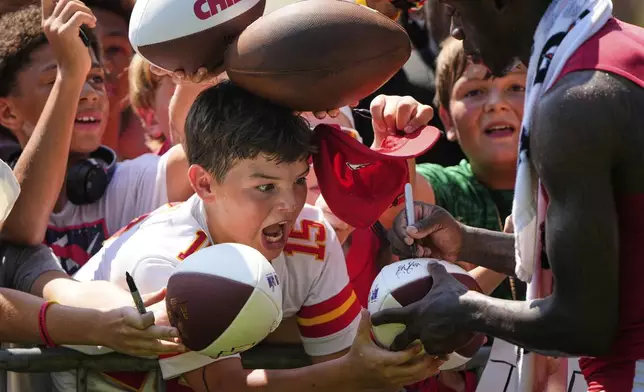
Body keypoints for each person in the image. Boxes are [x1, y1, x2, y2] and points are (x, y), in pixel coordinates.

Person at [56, 80, 443, 392]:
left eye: (296, 181)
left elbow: (342, 359)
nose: (289, 204)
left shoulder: (313, 236)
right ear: (205, 184)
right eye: (264, 187)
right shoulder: (168, 261)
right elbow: (224, 388)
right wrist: (352, 374)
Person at [376, 0, 644, 390]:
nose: (455, 30)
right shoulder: (622, 50)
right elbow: (616, 256)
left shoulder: (576, 101)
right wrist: (469, 241)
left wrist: (465, 309)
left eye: (456, 9)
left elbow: (584, 324)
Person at [0, 1, 193, 275]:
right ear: (7, 112)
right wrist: (70, 74)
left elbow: (201, 158)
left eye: (97, 78)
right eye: (55, 79)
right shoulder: (5, 199)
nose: (90, 93)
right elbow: (23, 227)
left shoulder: (131, 183)